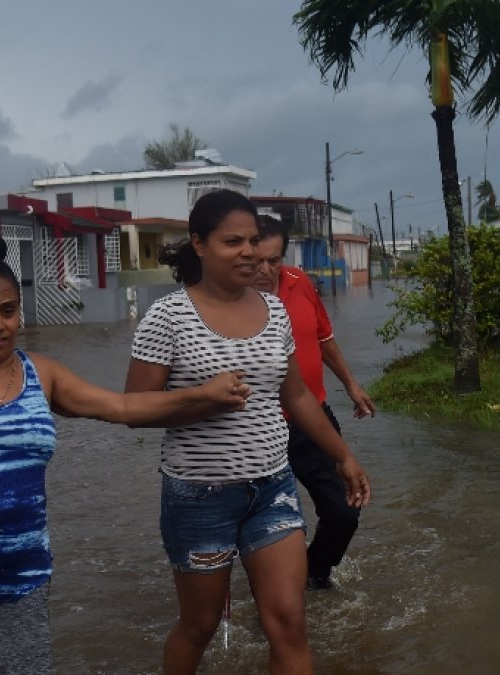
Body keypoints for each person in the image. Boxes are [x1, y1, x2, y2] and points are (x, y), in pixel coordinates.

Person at [0, 227, 251, 675]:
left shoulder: (42, 374)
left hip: (23, 575)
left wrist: (202, 395)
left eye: (8, 311)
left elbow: (123, 406)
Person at [125, 189, 372, 675]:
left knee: (288, 621)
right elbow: (136, 409)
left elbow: (296, 396)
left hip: (272, 488)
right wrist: (201, 398)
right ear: (199, 244)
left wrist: (343, 455)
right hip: (199, 496)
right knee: (199, 625)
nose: (248, 252)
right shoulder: (168, 317)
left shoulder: (273, 309)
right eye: (231, 241)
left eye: (253, 241)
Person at [252, 217, 375, 591]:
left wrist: (351, 385)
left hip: (311, 421)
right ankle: (275, 595)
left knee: (343, 511)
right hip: (259, 429)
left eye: (273, 260)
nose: (265, 270)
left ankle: (313, 576)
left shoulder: (299, 282)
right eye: (256, 260)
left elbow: (324, 339)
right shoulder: (232, 299)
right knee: (271, 524)